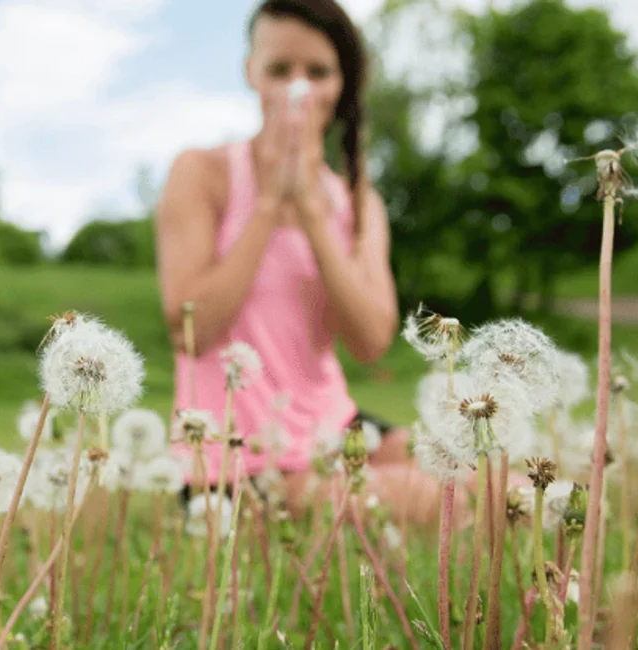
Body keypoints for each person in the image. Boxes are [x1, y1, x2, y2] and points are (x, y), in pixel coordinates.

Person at [155, 0, 454, 526]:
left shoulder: (359, 203)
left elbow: (371, 340)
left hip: (334, 427)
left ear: (340, 85)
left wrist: (314, 213)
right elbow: (191, 328)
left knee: (481, 476)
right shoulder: (202, 173)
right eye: (279, 69)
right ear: (251, 73)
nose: (299, 88)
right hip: (237, 459)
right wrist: (268, 205)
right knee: (433, 499)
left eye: (317, 72)